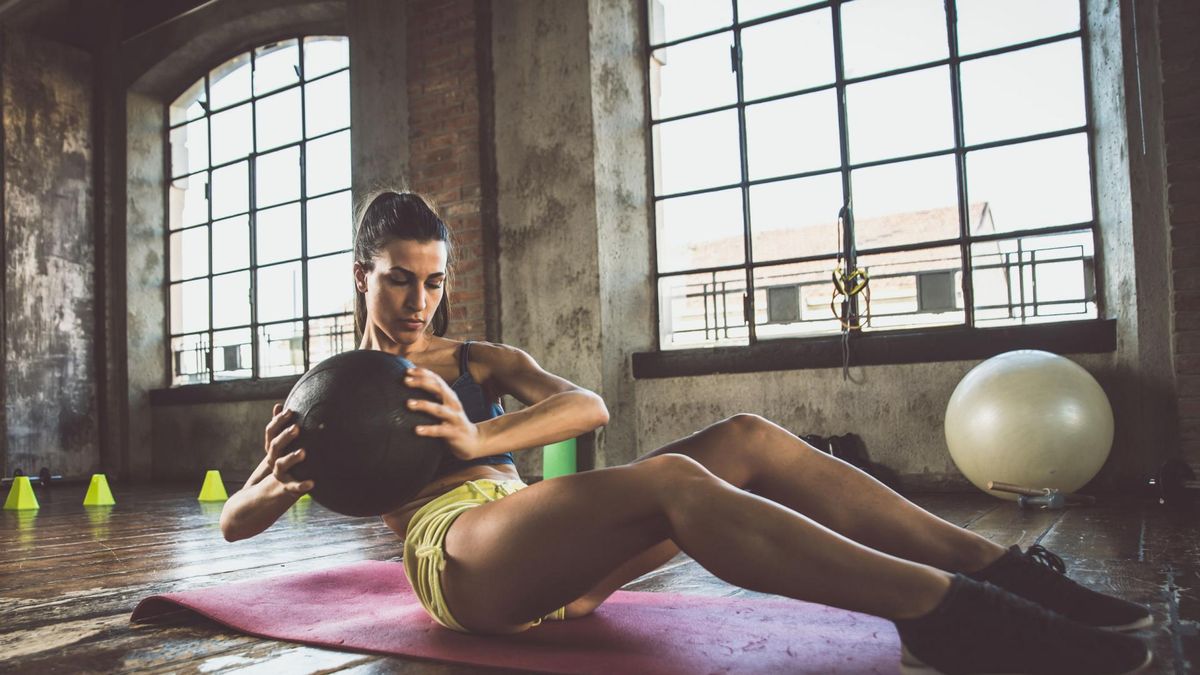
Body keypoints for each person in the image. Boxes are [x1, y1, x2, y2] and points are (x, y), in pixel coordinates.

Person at [220, 191, 1153, 675]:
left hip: (548, 542)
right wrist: (268, 481)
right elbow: (242, 519)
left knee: (745, 435)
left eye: (431, 280)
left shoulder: (477, 360)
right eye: (396, 279)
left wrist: (479, 440)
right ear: (360, 275)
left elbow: (587, 405)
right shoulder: (333, 392)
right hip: (463, 563)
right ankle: (959, 620)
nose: (417, 300)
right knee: (675, 483)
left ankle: (1005, 573)